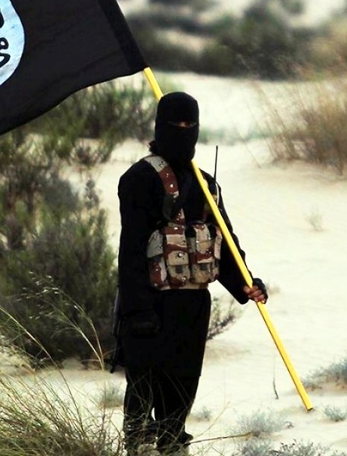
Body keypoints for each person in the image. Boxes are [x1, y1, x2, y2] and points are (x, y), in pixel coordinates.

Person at [113, 91, 267, 456]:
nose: (183, 133)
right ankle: (136, 447)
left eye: (190, 126)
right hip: (149, 304)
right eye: (175, 126)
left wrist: (247, 285)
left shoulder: (207, 183)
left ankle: (172, 443)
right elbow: (131, 250)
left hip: (193, 304)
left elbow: (226, 244)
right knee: (143, 387)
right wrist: (137, 311)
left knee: (181, 388)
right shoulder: (138, 179)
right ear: (159, 128)